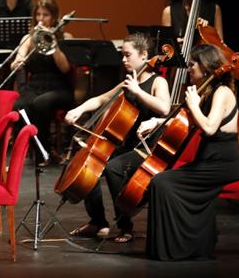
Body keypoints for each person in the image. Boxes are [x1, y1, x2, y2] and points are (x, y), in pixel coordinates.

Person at [137, 44, 239, 260]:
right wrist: (158, 121)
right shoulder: (208, 90)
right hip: (209, 161)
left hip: (223, 164)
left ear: (205, 67)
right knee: (163, 181)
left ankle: (174, 249)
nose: (189, 69)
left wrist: (194, 105)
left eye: (192, 65)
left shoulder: (222, 92)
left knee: (163, 182)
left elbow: (210, 128)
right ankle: (193, 246)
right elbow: (186, 120)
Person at [64, 32, 170, 243]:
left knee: (113, 168)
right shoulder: (129, 81)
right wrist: (79, 109)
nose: (123, 60)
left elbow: (165, 109)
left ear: (144, 55)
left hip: (148, 149)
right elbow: (101, 99)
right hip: (127, 146)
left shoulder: (158, 82)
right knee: (90, 162)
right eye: (122, 55)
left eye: (127, 55)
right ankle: (98, 222)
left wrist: (138, 91)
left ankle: (125, 226)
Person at [11, 0, 73, 163]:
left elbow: (65, 68)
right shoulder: (28, 39)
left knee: (41, 103)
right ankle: (32, 148)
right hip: (35, 87)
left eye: (45, 15)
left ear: (53, 17)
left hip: (59, 88)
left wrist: (53, 43)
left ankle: (45, 151)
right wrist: (18, 61)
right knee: (19, 105)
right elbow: (17, 61)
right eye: (38, 14)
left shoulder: (65, 37)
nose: (40, 18)